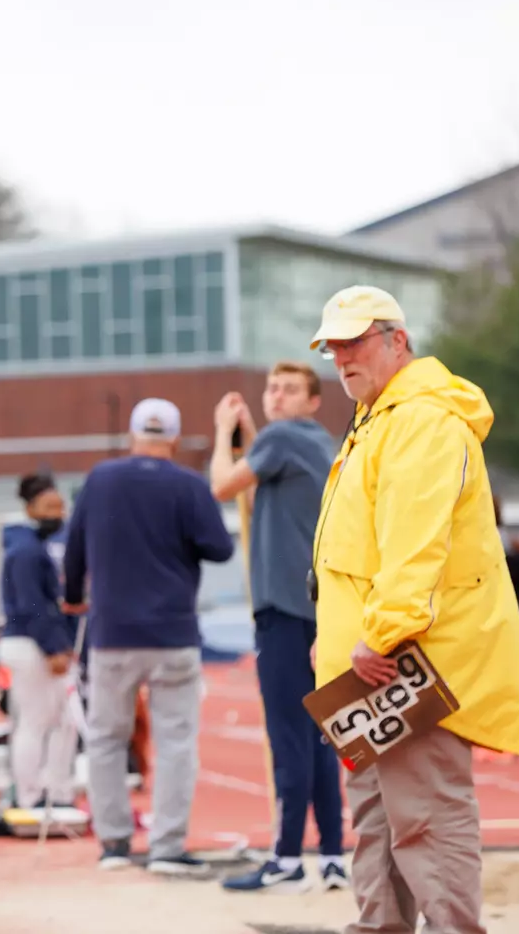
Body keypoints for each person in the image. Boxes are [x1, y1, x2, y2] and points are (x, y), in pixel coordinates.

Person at [307, 285, 519, 934]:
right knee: (377, 817)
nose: (341, 357)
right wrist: (340, 635)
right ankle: (380, 926)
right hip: (376, 659)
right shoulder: (380, 419)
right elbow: (361, 552)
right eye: (333, 345)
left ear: (396, 339)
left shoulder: (421, 419)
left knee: (427, 815)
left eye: (353, 341)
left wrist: (380, 634)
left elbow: (415, 543)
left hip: (410, 658)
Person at [63, 398, 235, 873]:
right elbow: (220, 548)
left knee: (105, 738)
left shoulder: (100, 480)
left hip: (112, 631)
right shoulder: (188, 484)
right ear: (174, 439)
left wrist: (73, 595)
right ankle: (166, 846)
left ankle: (114, 843)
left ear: (133, 436)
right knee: (175, 740)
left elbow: (75, 546)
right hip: (172, 631)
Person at [208, 363, 348, 893]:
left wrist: (225, 432)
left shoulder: (285, 437)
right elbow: (255, 488)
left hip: (285, 611)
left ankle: (288, 858)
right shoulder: (322, 445)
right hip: (321, 609)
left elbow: (222, 485)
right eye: (272, 388)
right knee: (320, 738)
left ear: (313, 401)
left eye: (291, 389)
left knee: (289, 735)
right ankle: (332, 855)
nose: (278, 396)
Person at [0, 474, 79, 816]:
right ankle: (31, 794)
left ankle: (55, 789)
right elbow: (33, 606)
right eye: (49, 508)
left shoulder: (32, 547)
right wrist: (54, 648)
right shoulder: (26, 550)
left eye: (60, 507)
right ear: (30, 510)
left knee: (63, 721)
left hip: (33, 642)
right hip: (31, 644)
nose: (57, 514)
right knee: (36, 722)